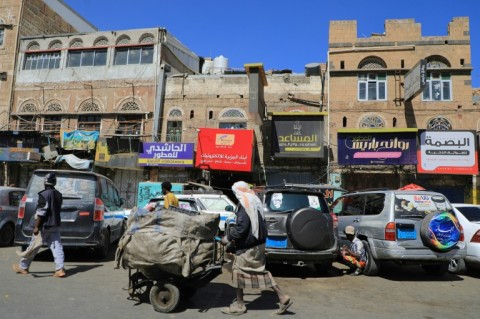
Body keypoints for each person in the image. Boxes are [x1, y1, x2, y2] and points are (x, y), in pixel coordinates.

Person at [220, 181, 292, 316]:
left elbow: (241, 228)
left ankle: (241, 305)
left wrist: (227, 238)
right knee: (249, 270)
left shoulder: (245, 203)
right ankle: (241, 302)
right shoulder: (254, 200)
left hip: (249, 245)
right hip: (258, 243)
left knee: (241, 271)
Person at [12, 172, 66, 278]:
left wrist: (36, 227)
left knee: (33, 246)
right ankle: (60, 269)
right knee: (57, 247)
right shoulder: (58, 194)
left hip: (44, 226)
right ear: (54, 182)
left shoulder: (44, 194)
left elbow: (41, 212)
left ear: (45, 182)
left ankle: (23, 267)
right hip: (55, 225)